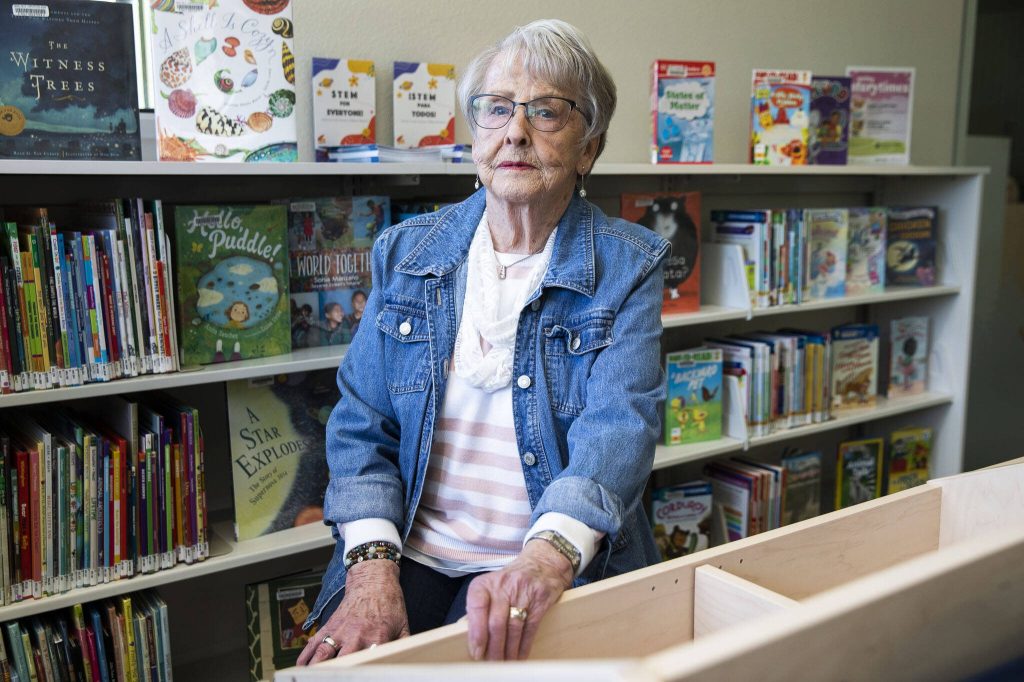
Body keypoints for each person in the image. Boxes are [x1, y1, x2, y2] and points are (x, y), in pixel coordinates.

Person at [298, 19, 668, 666]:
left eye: (547, 112)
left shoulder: (627, 264)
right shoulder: (406, 252)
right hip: (407, 546)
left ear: (589, 149)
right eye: (496, 109)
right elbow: (361, 426)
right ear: (475, 132)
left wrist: (544, 561)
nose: (515, 132)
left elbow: (621, 429)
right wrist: (370, 567)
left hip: (545, 556)